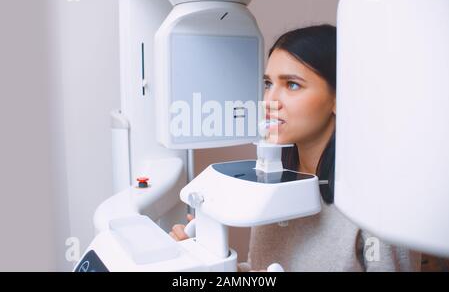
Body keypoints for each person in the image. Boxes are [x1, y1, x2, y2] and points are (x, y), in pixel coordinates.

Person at [170, 25, 422, 272]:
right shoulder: (272, 184)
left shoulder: (379, 204)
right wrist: (209, 261)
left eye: (292, 85)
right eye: (268, 84)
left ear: (340, 97)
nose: (269, 101)